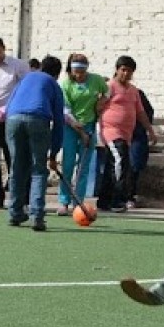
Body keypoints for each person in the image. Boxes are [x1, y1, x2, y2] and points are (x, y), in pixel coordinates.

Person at [2, 55, 65, 231]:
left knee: (17, 168)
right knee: (38, 169)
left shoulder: (25, 78)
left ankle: (14, 213)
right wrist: (53, 153)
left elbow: (9, 105)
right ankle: (37, 215)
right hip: (38, 119)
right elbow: (59, 121)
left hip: (13, 119)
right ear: (57, 74)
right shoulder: (54, 85)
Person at [95, 55, 155, 214]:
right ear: (117, 70)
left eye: (129, 71)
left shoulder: (133, 91)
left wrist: (150, 130)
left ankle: (104, 200)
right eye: (123, 70)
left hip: (126, 133)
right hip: (111, 131)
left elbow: (140, 112)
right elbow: (99, 106)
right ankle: (118, 199)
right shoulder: (109, 86)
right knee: (121, 161)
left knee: (112, 164)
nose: (126, 73)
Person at [57, 53, 107, 216]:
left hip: (89, 125)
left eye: (82, 72)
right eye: (76, 72)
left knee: (83, 166)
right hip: (71, 126)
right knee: (68, 164)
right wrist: (80, 130)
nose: (79, 75)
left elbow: (107, 92)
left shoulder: (96, 80)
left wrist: (101, 102)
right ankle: (64, 201)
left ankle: (78, 201)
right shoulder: (66, 84)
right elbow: (66, 110)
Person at [0, 36, 29, 208]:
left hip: (11, 117)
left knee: (14, 157)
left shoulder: (18, 66)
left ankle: (20, 196)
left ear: (4, 48)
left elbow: (26, 88)